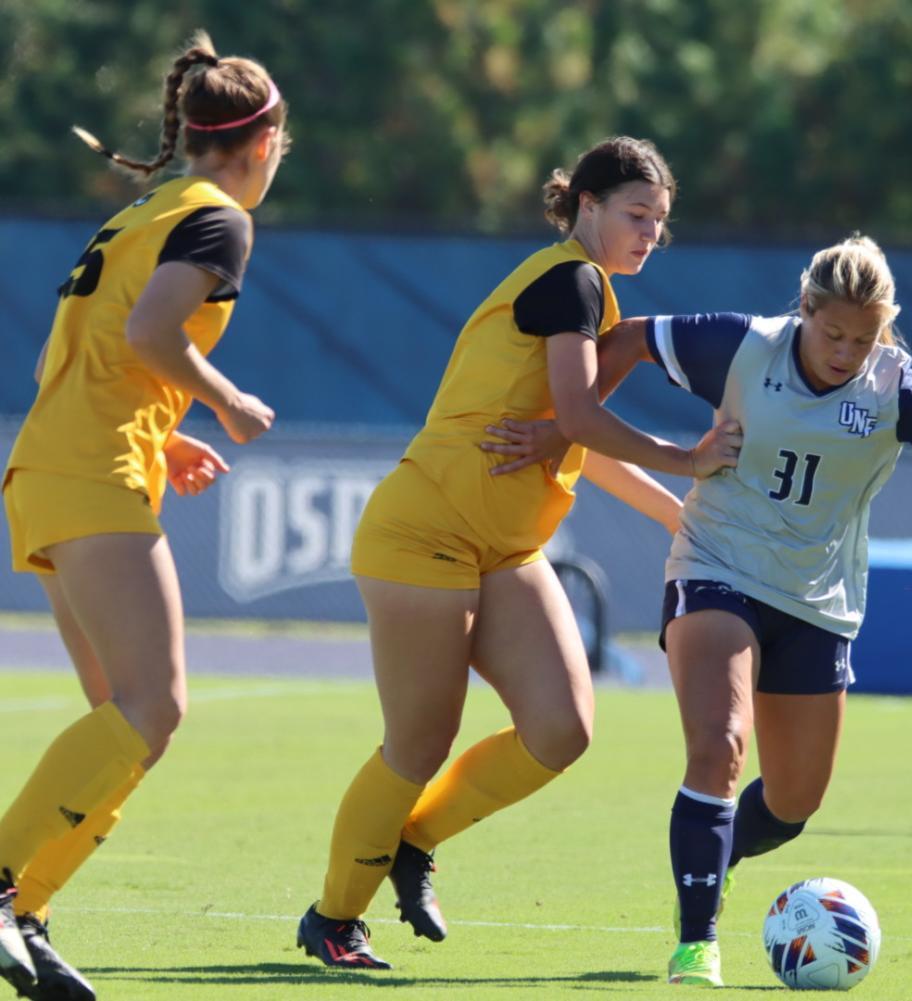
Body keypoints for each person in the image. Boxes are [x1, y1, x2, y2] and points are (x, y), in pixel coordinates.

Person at [296, 136, 741, 970]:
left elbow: (575, 440)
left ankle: (411, 839)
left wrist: (678, 513)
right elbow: (576, 418)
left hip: (503, 545)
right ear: (586, 206)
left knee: (560, 729)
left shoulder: (594, 297)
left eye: (659, 221)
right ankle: (333, 917)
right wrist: (689, 457)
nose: (648, 232)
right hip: (424, 531)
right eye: (635, 214)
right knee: (418, 742)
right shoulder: (570, 278)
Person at [587, 234, 912, 986]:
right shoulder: (741, 345)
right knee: (719, 745)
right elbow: (626, 340)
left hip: (817, 600)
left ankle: (723, 851)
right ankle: (693, 944)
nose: (846, 350)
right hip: (717, 565)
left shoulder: (895, 387)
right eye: (833, 332)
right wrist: (579, 415)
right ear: (804, 308)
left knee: (794, 799)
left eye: (863, 337)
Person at [0, 31, 284, 999]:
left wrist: (163, 438)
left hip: (46, 465)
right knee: (153, 706)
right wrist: (227, 401)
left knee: (119, 721)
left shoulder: (143, 211)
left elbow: (66, 365)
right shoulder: (217, 220)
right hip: (89, 473)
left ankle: (24, 911)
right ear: (264, 141)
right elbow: (150, 334)